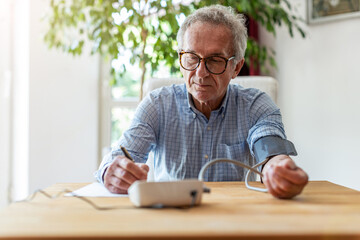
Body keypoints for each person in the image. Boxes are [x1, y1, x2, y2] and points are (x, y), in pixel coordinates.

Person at [95, 5, 308, 199]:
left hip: (236, 219)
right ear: (180, 58)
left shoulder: (256, 106)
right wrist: (112, 171)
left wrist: (277, 168)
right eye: (191, 57)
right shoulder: (157, 105)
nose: (200, 72)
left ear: (236, 67)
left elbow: (270, 151)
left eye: (215, 60)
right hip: (169, 218)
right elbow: (118, 156)